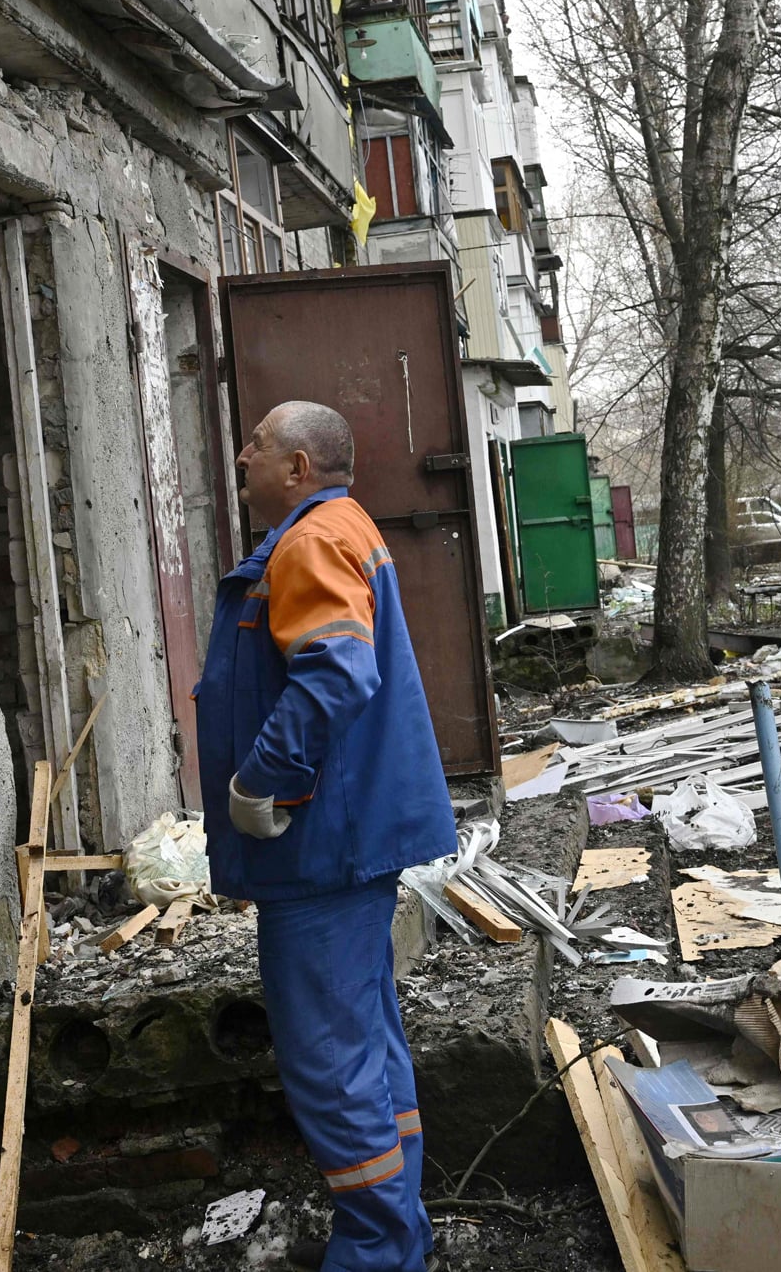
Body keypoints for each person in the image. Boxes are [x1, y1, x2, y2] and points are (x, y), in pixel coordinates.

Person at [197, 401, 454, 1272]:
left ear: (299, 467)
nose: (242, 452)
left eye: (258, 443)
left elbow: (334, 675)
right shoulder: (344, 527)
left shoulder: (309, 541)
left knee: (328, 1061)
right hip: (345, 841)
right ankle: (391, 1235)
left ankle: (379, 1252)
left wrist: (255, 783)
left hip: (317, 850)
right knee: (370, 1043)